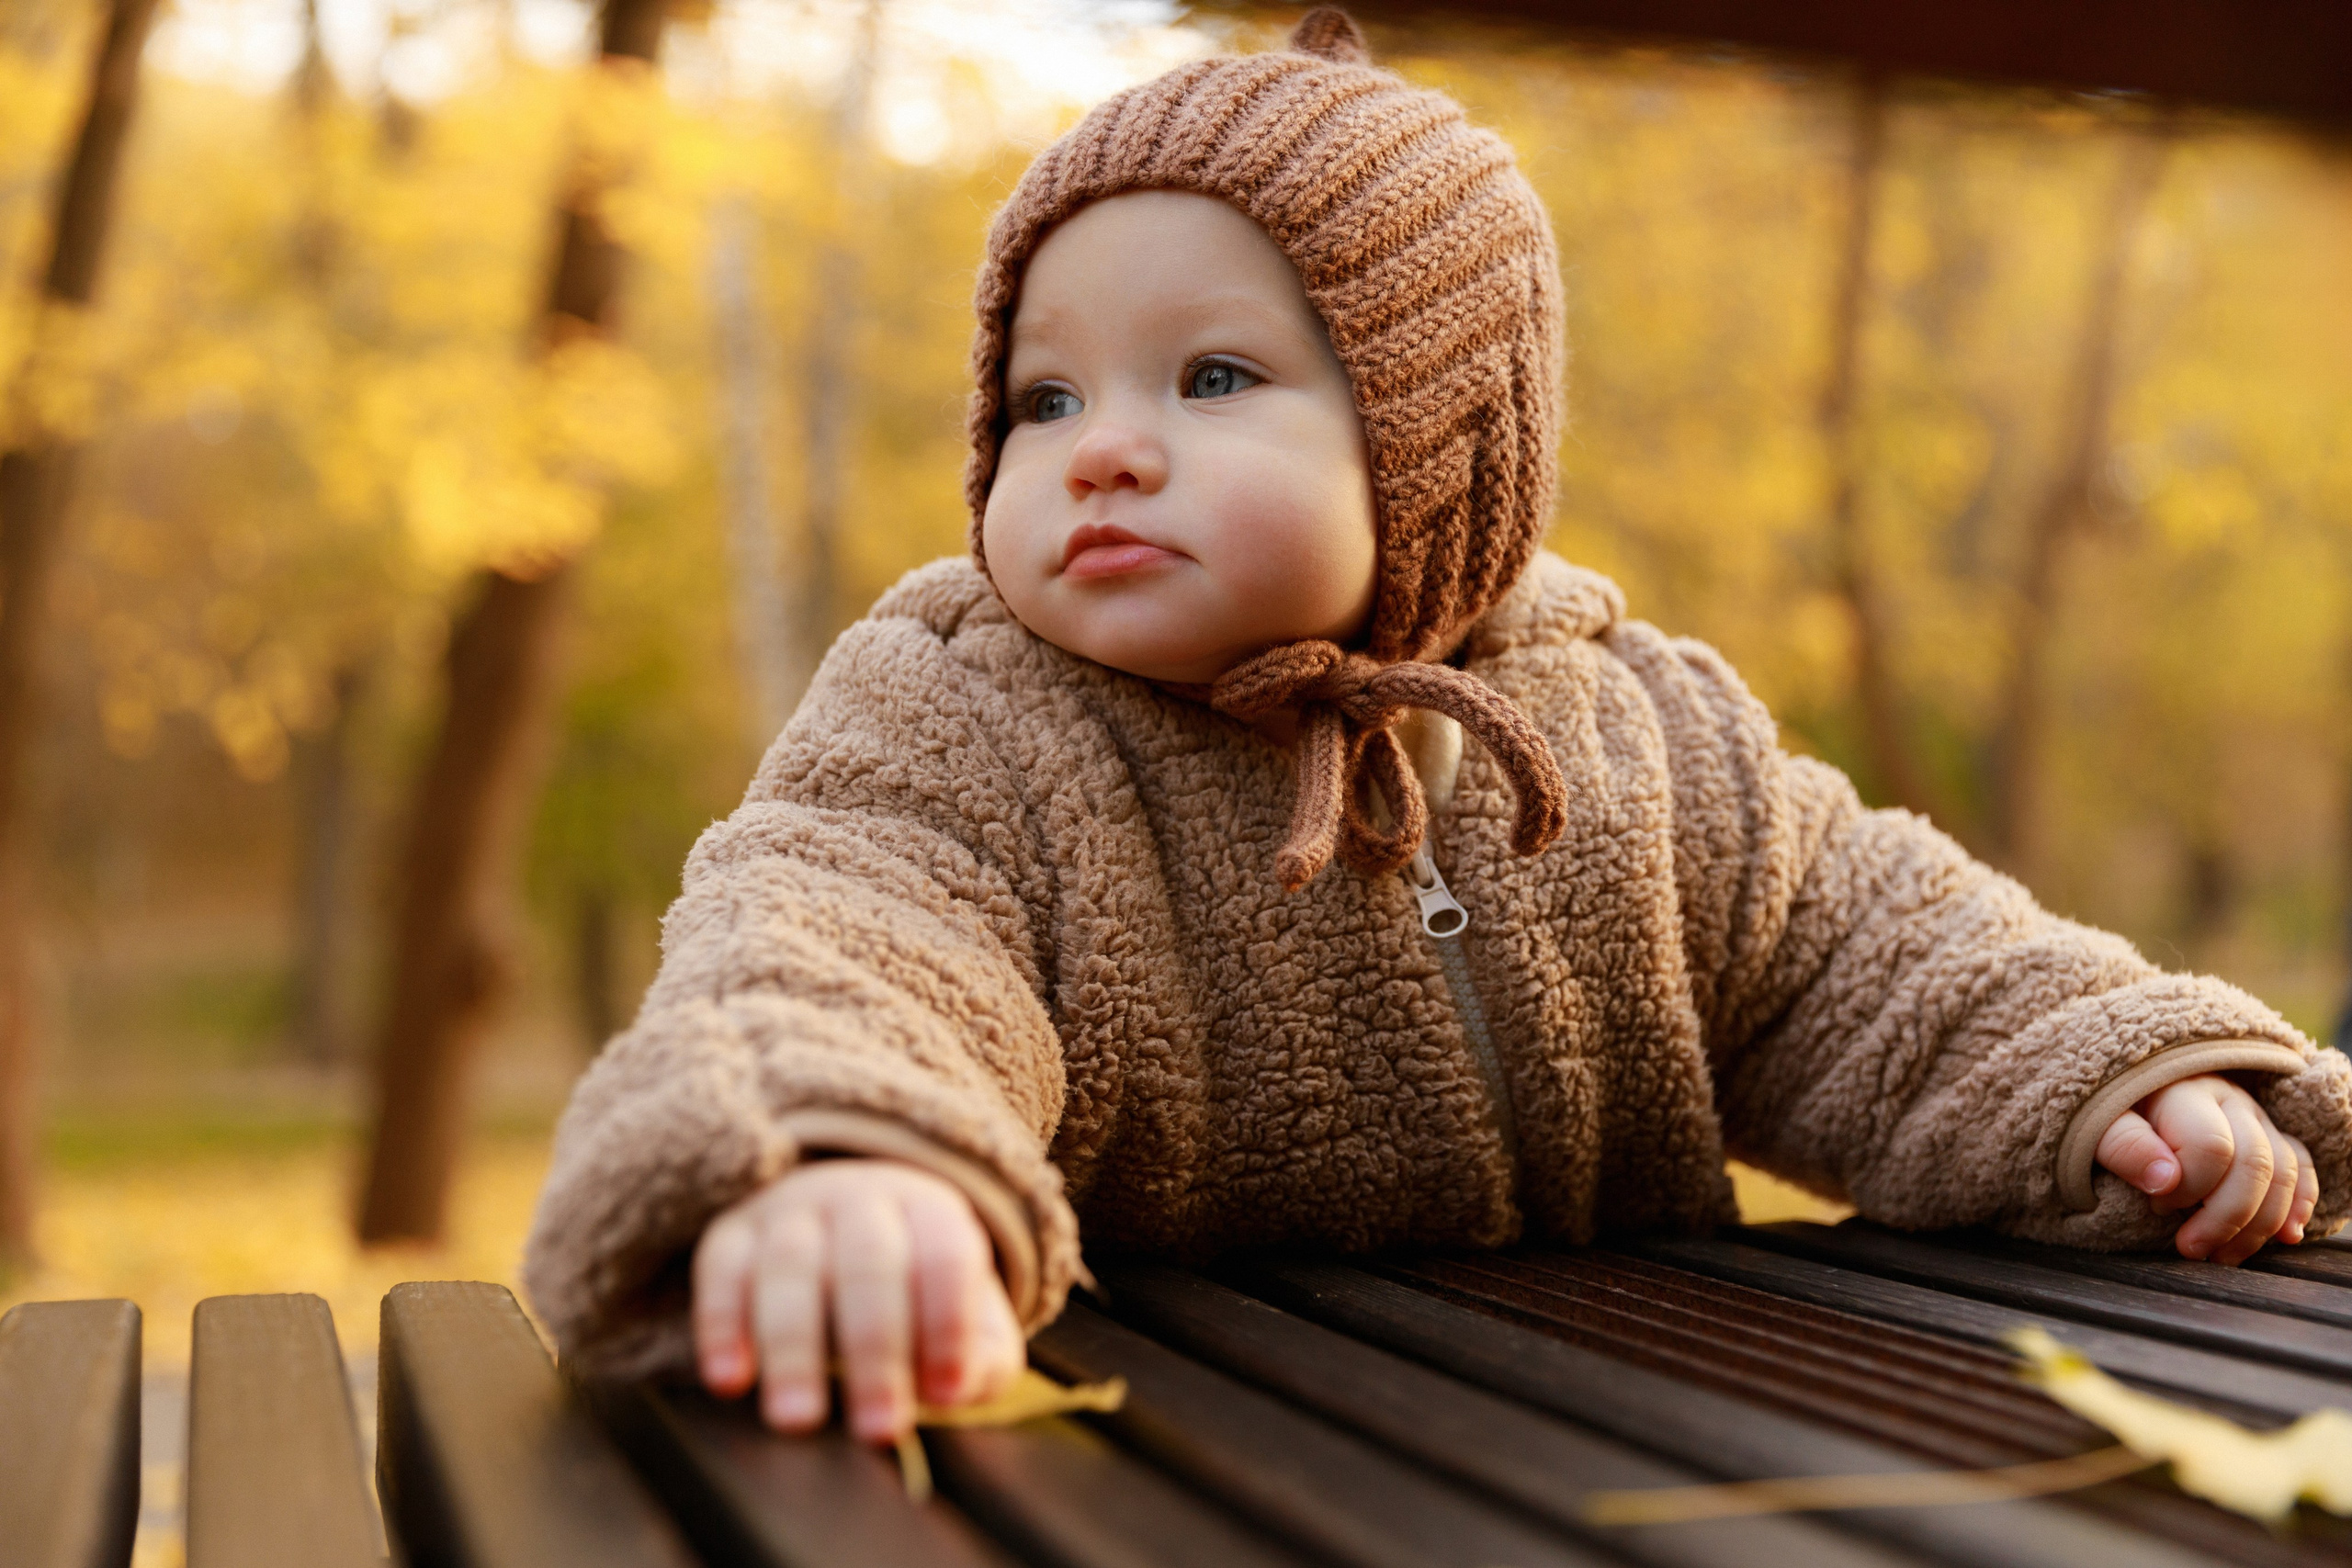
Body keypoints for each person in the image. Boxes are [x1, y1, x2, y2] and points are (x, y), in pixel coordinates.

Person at [522, 10, 2352, 1445]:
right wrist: (834, 1154)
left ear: (1439, 443)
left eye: (1212, 376)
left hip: (1583, 1438)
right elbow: (836, 932)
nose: (1101, 441)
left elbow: (1873, 949)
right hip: (1159, 1456)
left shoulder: (1623, 728)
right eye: (1040, 391)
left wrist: (2115, 1088)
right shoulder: (962, 714)